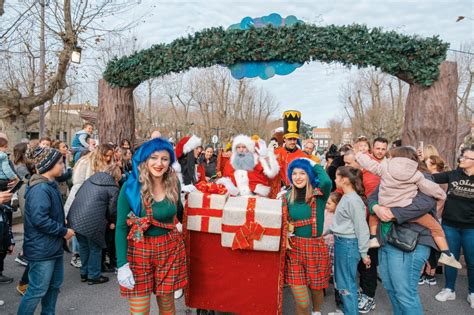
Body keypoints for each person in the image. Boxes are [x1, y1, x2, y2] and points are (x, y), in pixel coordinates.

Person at [356, 147, 461, 269]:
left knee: (373, 216)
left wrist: (359, 155)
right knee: (435, 227)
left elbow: (369, 164)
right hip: (404, 210)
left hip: (393, 214)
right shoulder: (416, 175)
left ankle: (373, 238)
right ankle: (446, 253)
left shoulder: (385, 168)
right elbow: (429, 188)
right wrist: (441, 194)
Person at [115, 137, 186, 314]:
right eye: (154, 157)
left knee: (168, 307)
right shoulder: (130, 187)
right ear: (145, 159)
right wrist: (122, 265)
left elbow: (180, 212)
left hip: (169, 249)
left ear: (170, 161)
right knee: (140, 311)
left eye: (164, 158)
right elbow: (121, 227)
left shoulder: (174, 183)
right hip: (139, 250)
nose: (159, 163)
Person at [18, 146, 75, 314]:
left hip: (51, 247)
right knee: (37, 290)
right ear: (49, 165)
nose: (62, 166)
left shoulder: (49, 185)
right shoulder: (40, 189)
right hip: (42, 249)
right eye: (59, 163)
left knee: (53, 287)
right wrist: (63, 231)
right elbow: (39, 219)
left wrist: (61, 220)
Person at [283, 158, 332, 315]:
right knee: (303, 303)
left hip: (316, 248)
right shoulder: (286, 197)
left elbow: (326, 180)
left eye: (302, 173)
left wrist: (311, 163)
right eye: (294, 173)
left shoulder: (319, 195)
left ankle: (316, 312)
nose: (298, 177)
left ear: (309, 175)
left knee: (317, 289)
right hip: (294, 250)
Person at [433, 145, 474, 308]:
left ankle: (472, 292)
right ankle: (449, 289)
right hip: (450, 225)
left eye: (465, 157)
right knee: (450, 258)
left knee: (472, 261)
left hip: (471, 227)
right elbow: (430, 177)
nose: (461, 159)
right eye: (461, 156)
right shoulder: (453, 175)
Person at [67, 165, 121, 285]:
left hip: (75, 217)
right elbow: (113, 210)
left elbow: (77, 195)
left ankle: (84, 273)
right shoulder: (113, 188)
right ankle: (94, 275)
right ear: (115, 176)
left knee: (84, 246)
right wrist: (112, 222)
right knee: (95, 248)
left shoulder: (90, 180)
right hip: (93, 221)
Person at [64, 143, 115, 269]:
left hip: (96, 204)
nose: (108, 159)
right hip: (82, 201)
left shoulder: (106, 164)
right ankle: (84, 264)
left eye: (110, 156)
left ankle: (86, 269)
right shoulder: (85, 162)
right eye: (106, 155)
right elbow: (77, 183)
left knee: (89, 241)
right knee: (84, 237)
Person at [342, 150, 380, 313]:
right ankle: (360, 292)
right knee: (358, 264)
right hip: (352, 230)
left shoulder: (371, 179)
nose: (346, 166)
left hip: (369, 231)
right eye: (344, 162)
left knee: (368, 265)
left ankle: (369, 297)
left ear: (359, 163)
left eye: (349, 163)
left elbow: (372, 208)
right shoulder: (350, 177)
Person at [330, 166, 371, 315]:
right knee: (343, 284)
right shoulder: (347, 198)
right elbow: (344, 223)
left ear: (345, 180)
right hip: (343, 243)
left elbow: (362, 227)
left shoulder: (353, 200)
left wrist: (364, 252)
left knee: (347, 285)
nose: (334, 179)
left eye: (336, 177)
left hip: (347, 245)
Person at [275, 110, 309, 187]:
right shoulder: (276, 153)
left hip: (295, 190)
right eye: (290, 139)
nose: (293, 142)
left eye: (294, 139)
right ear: (284, 139)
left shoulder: (303, 156)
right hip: (278, 190)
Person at [323, 191, 343, 312]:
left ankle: (339, 300)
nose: (326, 205)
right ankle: (323, 285)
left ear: (337, 205)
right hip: (324, 244)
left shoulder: (339, 216)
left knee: (337, 272)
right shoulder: (325, 212)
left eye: (329, 203)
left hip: (335, 247)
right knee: (324, 268)